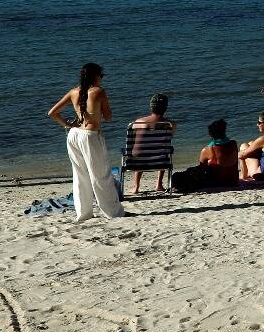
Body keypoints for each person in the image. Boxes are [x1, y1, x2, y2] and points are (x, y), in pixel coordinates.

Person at [46, 62, 125, 223]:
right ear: (95, 76)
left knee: (80, 175)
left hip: (74, 134)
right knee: (100, 175)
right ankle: (112, 212)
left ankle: (84, 213)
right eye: (101, 76)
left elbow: (52, 113)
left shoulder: (73, 92)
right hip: (90, 135)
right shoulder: (98, 91)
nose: (101, 79)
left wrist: (67, 124)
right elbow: (109, 117)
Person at [124, 92, 177, 194]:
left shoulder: (138, 122)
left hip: (137, 162)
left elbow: (133, 136)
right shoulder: (170, 124)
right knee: (162, 149)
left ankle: (136, 187)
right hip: (160, 161)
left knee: (140, 149)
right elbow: (171, 135)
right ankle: (159, 184)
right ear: (165, 108)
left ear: (151, 107)